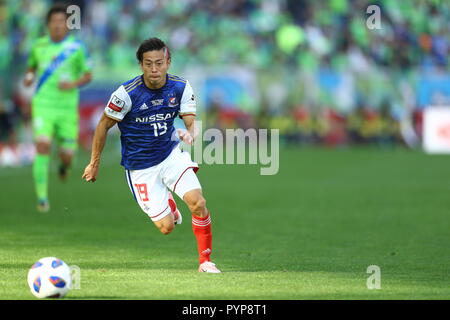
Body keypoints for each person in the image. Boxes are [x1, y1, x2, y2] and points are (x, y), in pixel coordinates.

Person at [82, 38, 221, 273]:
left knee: (198, 202)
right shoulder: (126, 94)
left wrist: (190, 133)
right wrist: (93, 163)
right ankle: (168, 203)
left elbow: (191, 122)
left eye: (159, 63)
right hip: (140, 167)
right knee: (166, 227)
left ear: (168, 62)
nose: (154, 69)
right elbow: (103, 126)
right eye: (148, 64)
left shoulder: (180, 87)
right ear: (141, 65)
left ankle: (205, 261)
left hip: (170, 155)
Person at [24, 4, 92, 212]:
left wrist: (71, 84)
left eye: (61, 22)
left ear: (67, 25)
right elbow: (32, 66)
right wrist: (28, 77)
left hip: (66, 109)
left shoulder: (77, 48)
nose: (57, 26)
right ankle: (42, 198)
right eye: (53, 22)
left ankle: (64, 166)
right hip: (43, 105)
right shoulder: (38, 46)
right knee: (42, 146)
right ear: (48, 25)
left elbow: (88, 75)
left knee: (67, 155)